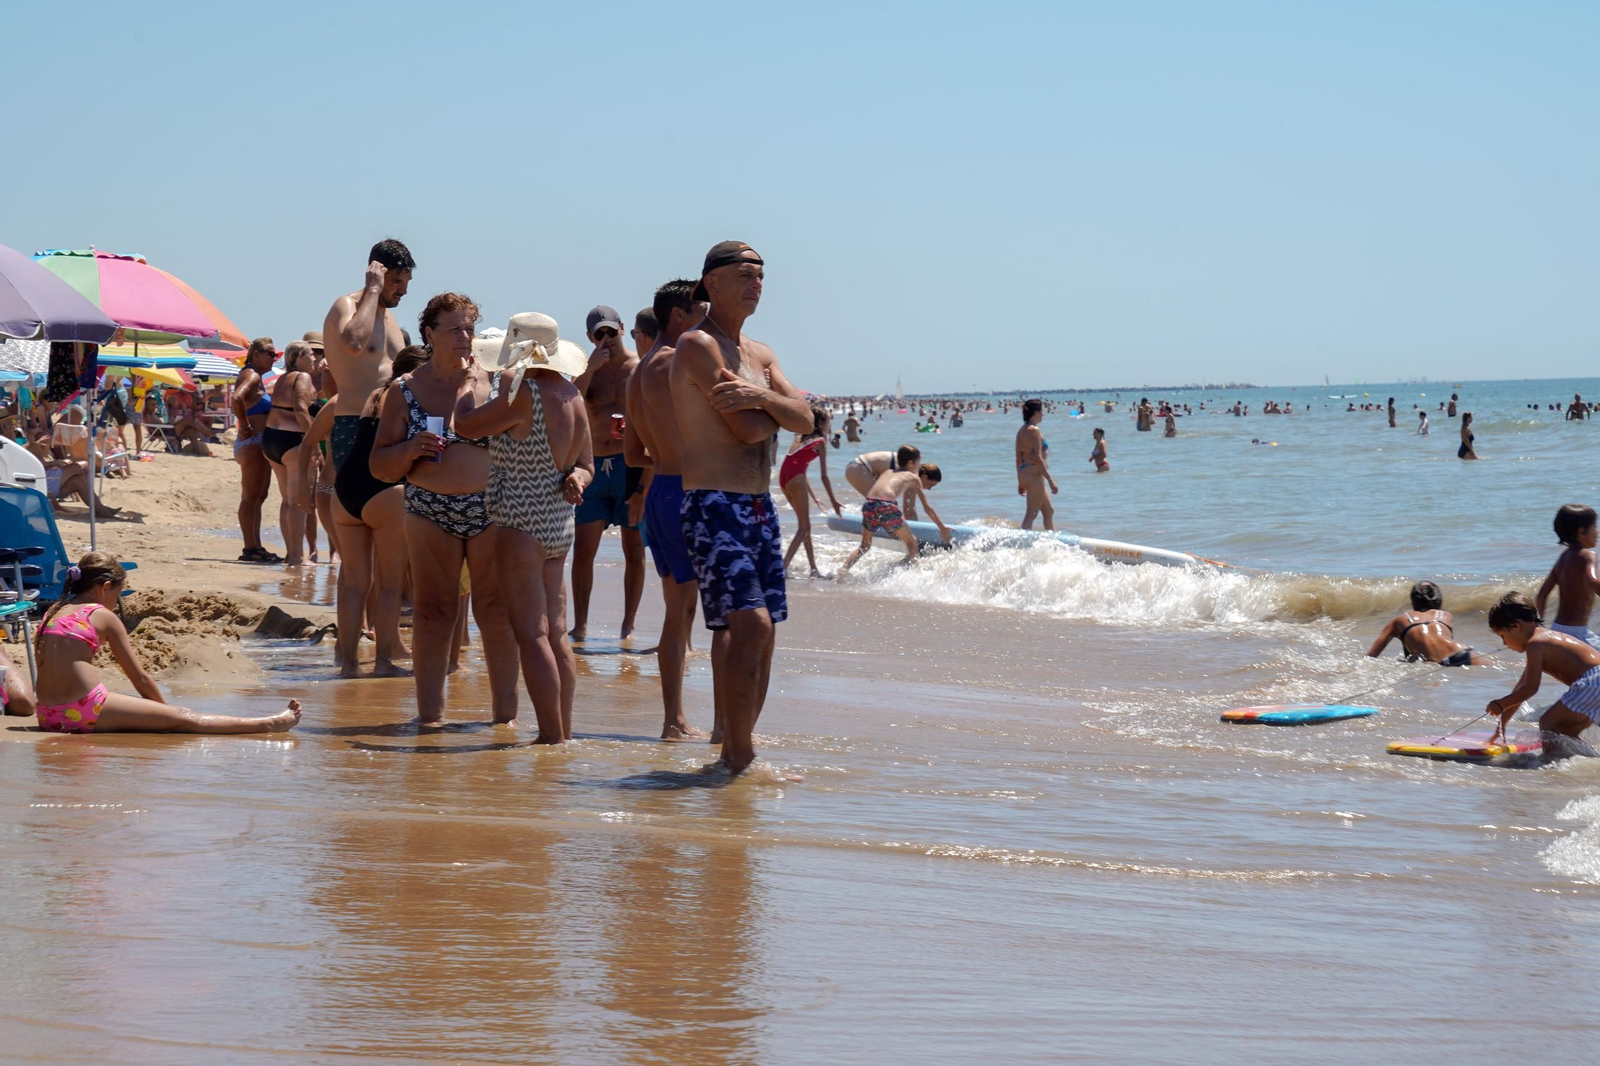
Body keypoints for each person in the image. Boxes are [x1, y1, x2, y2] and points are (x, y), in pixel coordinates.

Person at [669, 241, 816, 774]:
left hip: (758, 506)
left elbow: (808, 420)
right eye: (744, 274)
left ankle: (735, 744)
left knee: (766, 630)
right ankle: (738, 751)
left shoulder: (760, 354)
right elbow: (747, 429)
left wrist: (763, 399)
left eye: (761, 275)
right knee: (748, 625)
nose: (756, 283)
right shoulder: (697, 346)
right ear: (710, 282)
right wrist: (778, 408)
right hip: (711, 503)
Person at [369, 293, 517, 725]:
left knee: (495, 610)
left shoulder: (495, 380)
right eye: (455, 329)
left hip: (490, 507)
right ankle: (430, 718)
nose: (465, 337)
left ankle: (503, 719)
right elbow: (379, 466)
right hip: (428, 507)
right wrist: (410, 449)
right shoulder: (404, 390)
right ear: (430, 335)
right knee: (434, 612)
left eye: (470, 328)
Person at [456, 314, 592, 744]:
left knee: (531, 635)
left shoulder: (523, 392)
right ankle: (563, 732)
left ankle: (550, 737)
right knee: (556, 633)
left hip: (519, 520)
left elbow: (466, 425)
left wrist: (466, 388)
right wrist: (578, 479)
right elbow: (587, 465)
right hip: (557, 522)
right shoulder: (573, 394)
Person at [34, 553, 301, 733]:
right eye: (118, 595)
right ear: (105, 587)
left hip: (47, 714)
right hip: (82, 709)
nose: (117, 603)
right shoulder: (101, 615)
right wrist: (165, 714)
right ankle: (268, 723)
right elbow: (140, 678)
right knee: (186, 718)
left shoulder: (54, 612)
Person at [302, 348, 427, 676]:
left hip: (346, 487)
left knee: (355, 582)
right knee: (389, 584)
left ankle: (349, 663)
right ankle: (383, 662)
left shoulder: (375, 394)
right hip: (384, 488)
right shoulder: (413, 394)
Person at [624, 278, 711, 741]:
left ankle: (674, 719)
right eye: (700, 311)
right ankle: (717, 727)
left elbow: (635, 454)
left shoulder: (639, 370)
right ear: (679, 315)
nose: (706, 320)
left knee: (677, 613)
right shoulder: (678, 362)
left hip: (661, 490)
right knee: (713, 612)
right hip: (690, 492)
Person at [569, 304, 645, 642]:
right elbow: (570, 402)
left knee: (634, 549)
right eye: (598, 334)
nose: (605, 339)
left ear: (622, 329)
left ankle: (628, 625)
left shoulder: (638, 369)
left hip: (630, 466)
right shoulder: (585, 370)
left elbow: (654, 414)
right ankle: (581, 624)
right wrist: (590, 368)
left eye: (610, 332)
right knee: (584, 551)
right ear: (589, 336)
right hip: (594, 466)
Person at [323, 240, 413, 473]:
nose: (404, 290)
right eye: (396, 281)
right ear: (376, 274)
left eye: (406, 282)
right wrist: (373, 289)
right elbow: (354, 343)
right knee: (353, 508)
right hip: (356, 422)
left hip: (392, 423)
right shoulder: (346, 305)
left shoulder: (390, 319)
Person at [1485, 591, 1600, 748]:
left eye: (1502, 635)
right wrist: (1501, 725)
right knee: (1564, 733)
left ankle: (1550, 766)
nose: (1504, 643)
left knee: (1547, 724)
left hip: (1594, 681)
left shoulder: (1536, 643)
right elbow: (1520, 690)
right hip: (1594, 683)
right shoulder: (1543, 640)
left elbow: (1530, 689)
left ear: (1516, 626)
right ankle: (1586, 764)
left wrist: (1500, 704)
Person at [261, 341, 318, 568]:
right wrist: (313, 442)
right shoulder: (302, 377)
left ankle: (290, 553)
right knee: (298, 502)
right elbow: (301, 409)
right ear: (299, 356)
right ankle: (297, 557)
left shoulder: (284, 377)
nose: (314, 359)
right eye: (311, 355)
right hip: (293, 441)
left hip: (272, 438)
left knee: (287, 501)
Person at [838, 463, 949, 573]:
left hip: (869, 504)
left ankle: (841, 572)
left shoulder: (891, 472)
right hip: (886, 505)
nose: (929, 489)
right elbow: (927, 508)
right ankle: (913, 576)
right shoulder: (915, 479)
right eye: (931, 485)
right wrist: (942, 528)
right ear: (924, 476)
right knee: (912, 543)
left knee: (865, 546)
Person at [779, 404, 843, 578]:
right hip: (795, 480)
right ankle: (782, 568)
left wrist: (815, 498)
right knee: (804, 527)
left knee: (805, 527)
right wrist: (834, 501)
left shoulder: (798, 438)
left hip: (784, 480)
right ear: (820, 423)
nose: (829, 425)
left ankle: (813, 569)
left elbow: (797, 467)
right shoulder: (820, 442)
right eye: (828, 422)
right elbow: (824, 476)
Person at [232, 338, 278, 563]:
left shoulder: (255, 377)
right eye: (270, 353)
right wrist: (245, 426)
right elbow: (237, 398)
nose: (274, 358)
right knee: (251, 497)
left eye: (275, 354)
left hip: (257, 441)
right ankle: (250, 548)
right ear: (256, 354)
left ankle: (255, 546)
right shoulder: (251, 375)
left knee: (259, 495)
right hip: (252, 442)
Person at [1367, 581, 1484, 666]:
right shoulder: (1445, 615)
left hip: (1438, 661)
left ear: (1413, 601)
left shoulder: (1399, 620)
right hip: (1462, 652)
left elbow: (1371, 656)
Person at [1535, 504, 1600, 649]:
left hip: (1557, 631)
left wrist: (1539, 627)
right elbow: (1594, 581)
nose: (1597, 532)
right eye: (1594, 527)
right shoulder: (1589, 555)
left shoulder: (1562, 559)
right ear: (1581, 532)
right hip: (1578, 635)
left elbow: (1541, 595)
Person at [1016, 398, 1057, 529]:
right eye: (1041, 411)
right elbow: (1038, 457)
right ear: (1036, 412)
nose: (1043, 414)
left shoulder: (1021, 431)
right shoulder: (1034, 431)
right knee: (1031, 515)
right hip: (1034, 476)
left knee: (1049, 511)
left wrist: (1020, 481)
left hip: (1025, 474)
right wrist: (1050, 480)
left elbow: (1018, 458)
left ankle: (1052, 542)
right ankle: (1019, 545)